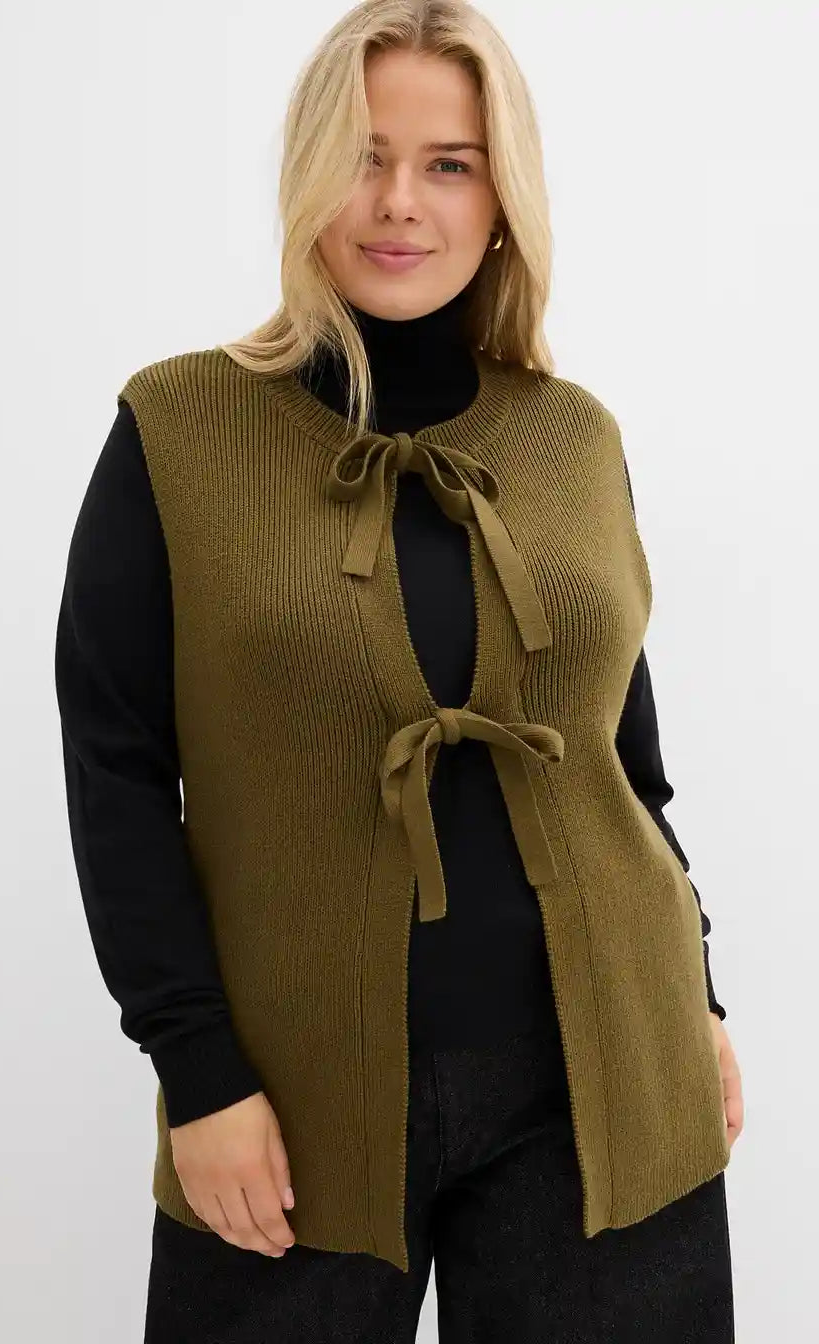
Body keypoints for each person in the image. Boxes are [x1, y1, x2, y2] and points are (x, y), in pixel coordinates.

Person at [54, 2, 744, 1339]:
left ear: (503, 198)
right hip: (294, 1101)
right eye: (364, 156)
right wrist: (198, 1073)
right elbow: (116, 773)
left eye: (449, 163)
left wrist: (697, 998)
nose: (398, 203)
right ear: (307, 172)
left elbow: (627, 764)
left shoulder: (574, 437)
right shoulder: (178, 429)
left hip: (608, 1075)